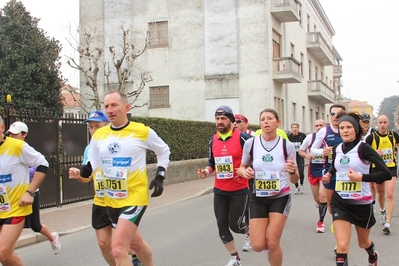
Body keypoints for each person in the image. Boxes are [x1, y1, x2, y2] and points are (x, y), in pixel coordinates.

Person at [80, 91, 170, 266]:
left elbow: (163, 150)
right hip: (111, 200)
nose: (110, 110)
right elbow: (95, 161)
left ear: (126, 107)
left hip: (134, 198)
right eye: (106, 106)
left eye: (114, 105)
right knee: (135, 244)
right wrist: (88, 169)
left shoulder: (142, 131)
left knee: (118, 249)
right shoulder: (99, 135)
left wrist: (160, 174)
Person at [322, 112, 391, 266]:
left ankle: (372, 253)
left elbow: (385, 173)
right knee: (342, 245)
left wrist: (361, 177)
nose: (345, 131)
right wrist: (329, 174)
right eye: (342, 128)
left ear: (356, 130)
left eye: (349, 127)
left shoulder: (364, 149)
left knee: (363, 242)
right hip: (340, 202)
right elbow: (336, 165)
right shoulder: (337, 149)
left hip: (362, 204)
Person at [236, 108, 299, 266]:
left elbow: (295, 178)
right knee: (257, 245)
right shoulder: (251, 144)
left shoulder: (287, 146)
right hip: (257, 197)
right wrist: (246, 172)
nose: (266, 122)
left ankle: (274, 253)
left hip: (280, 196)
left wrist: (293, 171)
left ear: (278, 123)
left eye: (270, 118)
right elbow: (241, 168)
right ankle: (272, 250)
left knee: (272, 242)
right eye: (263, 119)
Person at [69, 110, 131, 266]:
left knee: (120, 247)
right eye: (90, 127)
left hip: (120, 202)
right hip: (100, 203)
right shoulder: (89, 150)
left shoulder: (119, 144)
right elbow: (87, 178)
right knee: (104, 245)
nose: (93, 131)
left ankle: (136, 255)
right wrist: (79, 175)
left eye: (97, 126)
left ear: (107, 126)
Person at [197, 105, 252, 266]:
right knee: (221, 225)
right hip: (220, 190)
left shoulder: (243, 139)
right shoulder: (212, 140)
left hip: (239, 190)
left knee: (235, 226)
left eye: (223, 119)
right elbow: (211, 163)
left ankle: (252, 232)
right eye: (217, 119)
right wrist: (206, 172)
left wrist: (247, 170)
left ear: (231, 121)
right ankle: (235, 257)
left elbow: (256, 159)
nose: (219, 122)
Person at [0, 116, 49, 266]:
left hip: (15, 209)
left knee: (3, 253)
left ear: (2, 128)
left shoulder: (17, 146)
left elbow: (42, 164)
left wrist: (30, 191)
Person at [7, 122, 61, 255]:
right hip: (10, 197)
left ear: (24, 135)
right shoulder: (7, 150)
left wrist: (30, 190)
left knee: (35, 226)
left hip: (30, 194)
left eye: (16, 134)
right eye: (10, 134)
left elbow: (42, 164)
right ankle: (7, 253)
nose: (12, 136)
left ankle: (53, 238)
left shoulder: (26, 150)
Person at [365, 114, 399, 234]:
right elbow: (363, 151)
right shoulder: (371, 137)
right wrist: (374, 152)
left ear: (388, 123)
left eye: (385, 122)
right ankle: (382, 210)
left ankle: (388, 223)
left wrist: (395, 151)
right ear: (377, 124)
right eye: (380, 122)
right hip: (377, 168)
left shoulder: (393, 135)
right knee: (381, 193)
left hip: (391, 168)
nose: (383, 125)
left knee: (389, 194)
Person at [310, 104, 346, 212]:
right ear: (329, 116)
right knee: (328, 203)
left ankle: (341, 224)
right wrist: (323, 151)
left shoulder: (349, 129)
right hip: (329, 171)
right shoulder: (324, 131)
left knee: (345, 203)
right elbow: (312, 150)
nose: (336, 116)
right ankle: (335, 220)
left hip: (346, 171)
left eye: (339, 114)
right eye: (333, 114)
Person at [298, 119, 328, 233]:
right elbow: (300, 150)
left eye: (321, 125)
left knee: (322, 196)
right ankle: (320, 204)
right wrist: (307, 155)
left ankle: (320, 222)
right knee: (317, 198)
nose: (319, 127)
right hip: (313, 170)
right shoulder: (310, 137)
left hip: (325, 169)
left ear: (325, 126)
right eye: (317, 125)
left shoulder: (328, 136)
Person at [287, 122, 307, 194]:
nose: (294, 129)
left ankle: (301, 185)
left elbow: (307, 144)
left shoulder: (302, 135)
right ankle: (296, 186)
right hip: (292, 156)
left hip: (300, 156)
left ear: (298, 128)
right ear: (291, 129)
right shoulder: (289, 136)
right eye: (293, 127)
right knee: (294, 172)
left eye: (296, 127)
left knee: (301, 172)